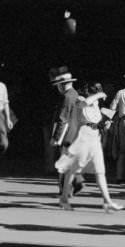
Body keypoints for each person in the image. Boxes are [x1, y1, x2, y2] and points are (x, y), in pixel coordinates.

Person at [55, 82, 123, 212]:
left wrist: (105, 122)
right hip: (83, 136)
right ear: (91, 91)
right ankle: (64, 197)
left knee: (100, 170)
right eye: (96, 91)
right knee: (73, 169)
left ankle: (107, 201)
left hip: (94, 136)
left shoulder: (96, 103)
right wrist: (98, 96)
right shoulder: (81, 99)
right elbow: (83, 105)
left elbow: (95, 119)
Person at [50, 67, 83, 196]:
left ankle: (65, 189)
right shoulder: (76, 95)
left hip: (67, 134)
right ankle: (73, 183)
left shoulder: (66, 97)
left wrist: (56, 138)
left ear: (62, 85)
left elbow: (62, 119)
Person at [108, 68, 125, 182]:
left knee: (122, 150)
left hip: (123, 121)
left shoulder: (121, 92)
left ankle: (119, 176)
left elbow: (112, 107)